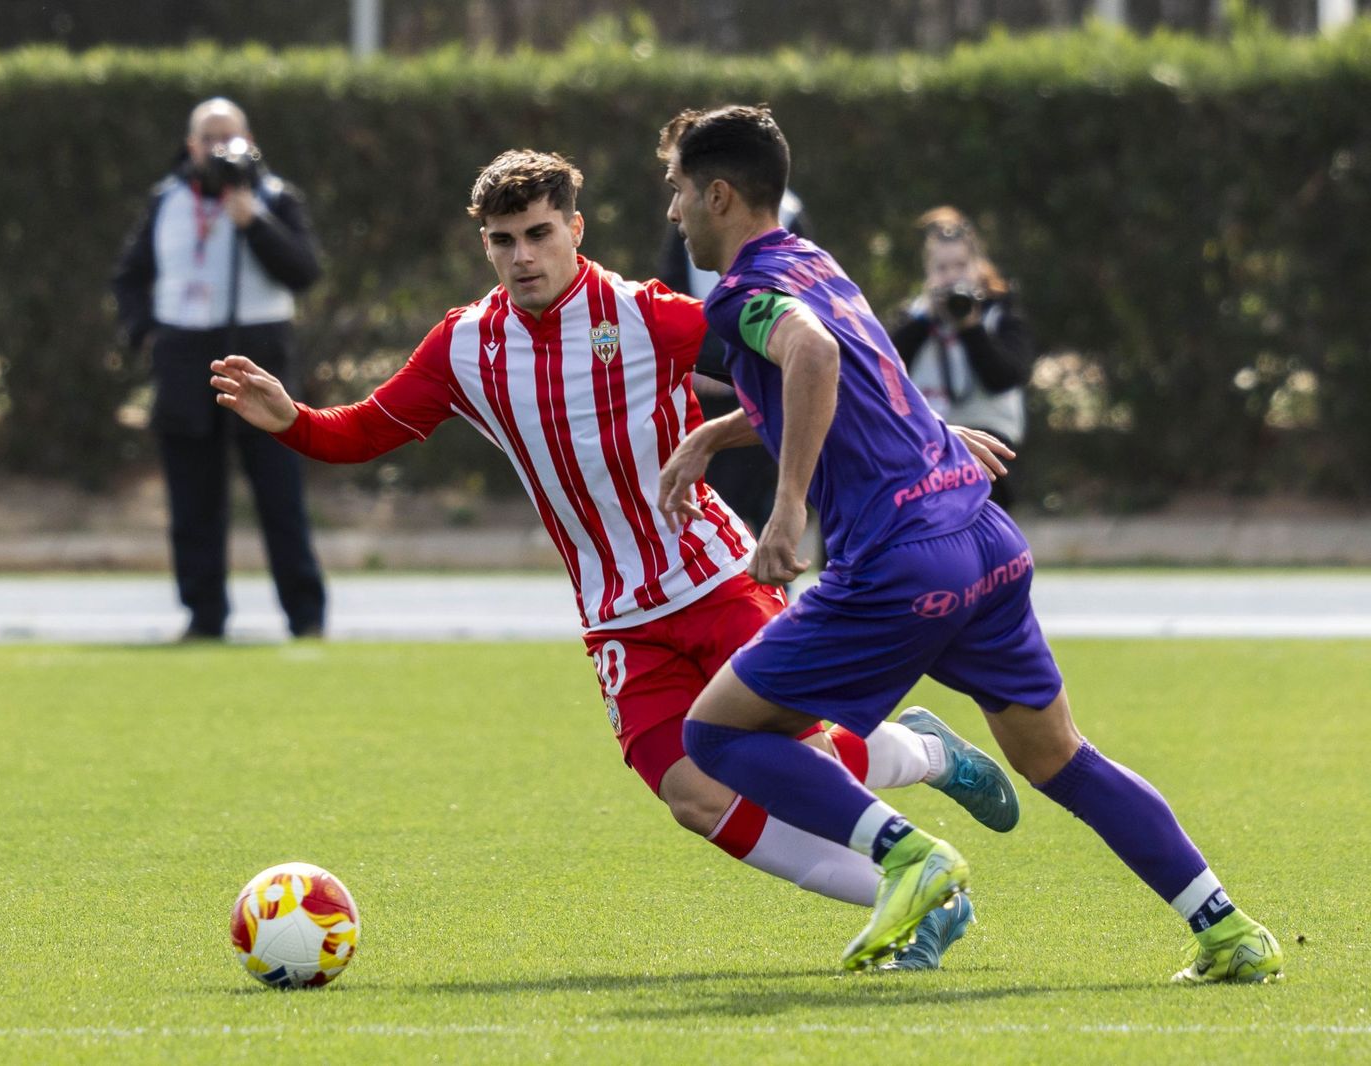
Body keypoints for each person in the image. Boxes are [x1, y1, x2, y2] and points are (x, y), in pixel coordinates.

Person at [211, 149, 1021, 967]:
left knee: (785, 758)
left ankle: (923, 759)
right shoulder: (464, 347)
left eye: (537, 233)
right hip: (617, 620)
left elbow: (807, 364)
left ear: (575, 228)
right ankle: (926, 890)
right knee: (695, 797)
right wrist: (294, 421)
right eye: (502, 240)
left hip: (715, 580)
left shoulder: (646, 314)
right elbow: (365, 430)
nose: (522, 255)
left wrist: (918, 428)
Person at [656, 104, 1281, 980]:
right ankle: (1226, 929)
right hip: (983, 532)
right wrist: (716, 436)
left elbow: (815, 363)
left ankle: (910, 853)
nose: (673, 211)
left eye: (679, 190)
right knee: (1057, 755)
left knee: (716, 736)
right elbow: (857, 380)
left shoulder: (743, 293)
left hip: (898, 561)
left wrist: (787, 509)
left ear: (718, 194)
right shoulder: (817, 265)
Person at [111, 97, 328, 641]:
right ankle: (204, 615)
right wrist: (146, 334)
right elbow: (129, 276)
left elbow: (304, 271)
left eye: (229, 137)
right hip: (186, 361)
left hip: (260, 361)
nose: (219, 148)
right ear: (190, 147)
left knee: (280, 497)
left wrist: (253, 222)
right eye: (208, 138)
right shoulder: (166, 201)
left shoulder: (274, 198)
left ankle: (305, 615)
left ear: (250, 140)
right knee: (193, 501)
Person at [657, 189, 810, 534]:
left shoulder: (789, 221)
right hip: (712, 395)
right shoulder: (687, 229)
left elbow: (817, 350)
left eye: (679, 184)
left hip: (765, 390)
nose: (673, 212)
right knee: (720, 521)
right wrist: (701, 364)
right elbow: (671, 297)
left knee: (771, 519)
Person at [892, 207, 1034, 509]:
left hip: (988, 442)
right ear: (928, 274)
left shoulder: (1001, 314)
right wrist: (922, 322)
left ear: (978, 267)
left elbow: (1005, 377)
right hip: (930, 443)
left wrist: (971, 329)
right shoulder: (914, 318)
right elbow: (886, 370)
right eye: (942, 268)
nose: (952, 276)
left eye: (960, 266)